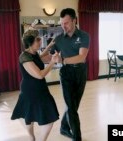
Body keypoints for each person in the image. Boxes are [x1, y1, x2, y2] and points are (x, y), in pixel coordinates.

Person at [11, 29, 59, 141]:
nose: (40, 41)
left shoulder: (33, 53)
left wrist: (49, 46)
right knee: (29, 117)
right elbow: (40, 75)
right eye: (38, 39)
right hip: (30, 91)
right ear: (30, 42)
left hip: (41, 89)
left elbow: (40, 57)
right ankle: (32, 137)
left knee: (50, 117)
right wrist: (52, 62)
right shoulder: (24, 57)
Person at [51, 8, 90, 141]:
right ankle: (77, 137)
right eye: (61, 23)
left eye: (66, 23)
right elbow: (51, 56)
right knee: (72, 108)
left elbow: (81, 57)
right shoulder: (59, 39)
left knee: (73, 105)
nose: (63, 26)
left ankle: (63, 127)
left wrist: (63, 60)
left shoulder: (84, 36)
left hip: (80, 72)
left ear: (74, 20)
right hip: (66, 74)